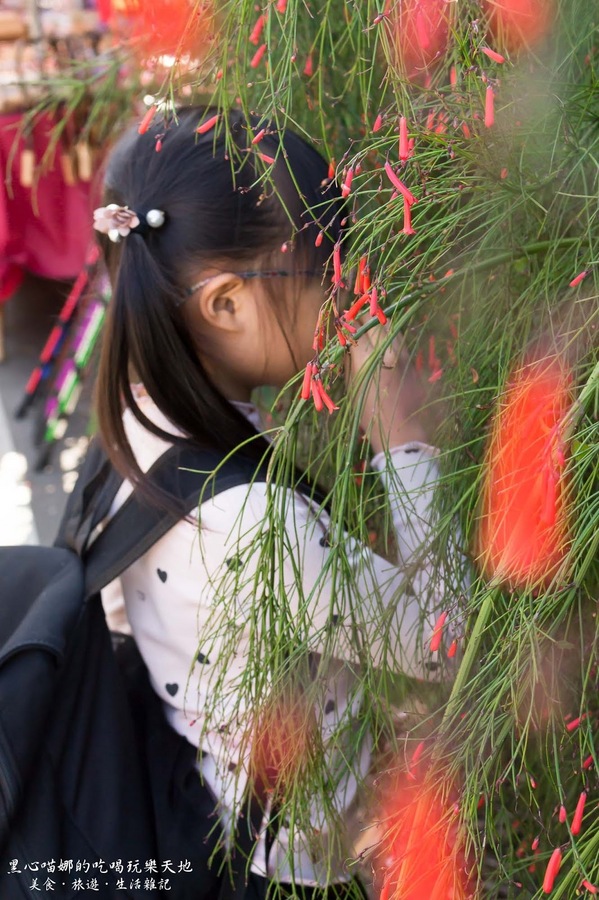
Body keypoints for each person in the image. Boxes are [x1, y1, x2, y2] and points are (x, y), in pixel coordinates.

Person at [91, 106, 460, 899]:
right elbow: (450, 645)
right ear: (225, 304)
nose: (349, 289)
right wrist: (404, 441)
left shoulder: (133, 416)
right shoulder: (252, 521)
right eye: (325, 265)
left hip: (201, 796)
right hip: (290, 867)